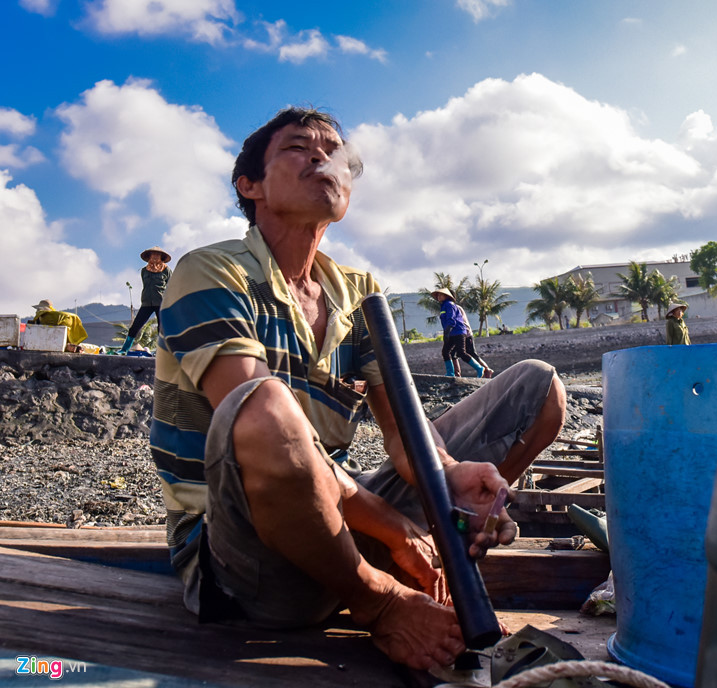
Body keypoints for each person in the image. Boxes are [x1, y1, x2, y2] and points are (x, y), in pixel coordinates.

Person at [150, 107, 566, 671]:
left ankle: (440, 550)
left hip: (339, 521)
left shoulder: (357, 291)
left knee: (538, 388)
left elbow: (403, 437)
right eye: (299, 147)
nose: (325, 158)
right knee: (266, 402)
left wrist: (448, 475)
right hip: (242, 556)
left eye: (336, 152)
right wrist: (392, 525)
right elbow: (260, 424)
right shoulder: (211, 272)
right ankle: (380, 600)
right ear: (250, 186)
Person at [119, 246, 172, 355]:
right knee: (135, 326)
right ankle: (124, 350)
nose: (155, 257)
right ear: (149, 257)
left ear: (161, 257)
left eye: (158, 255)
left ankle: (161, 352)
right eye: (153, 254)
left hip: (161, 302)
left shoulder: (167, 270)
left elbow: (171, 285)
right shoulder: (144, 271)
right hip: (146, 303)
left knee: (161, 328)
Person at [432, 288, 492, 378]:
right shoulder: (444, 306)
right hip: (452, 332)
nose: (438, 297)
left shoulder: (449, 305)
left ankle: (480, 368)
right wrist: (447, 332)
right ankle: (451, 373)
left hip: (458, 332)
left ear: (446, 296)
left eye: (441, 295)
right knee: (446, 352)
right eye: (438, 295)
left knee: (462, 353)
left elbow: (451, 320)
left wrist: (447, 331)